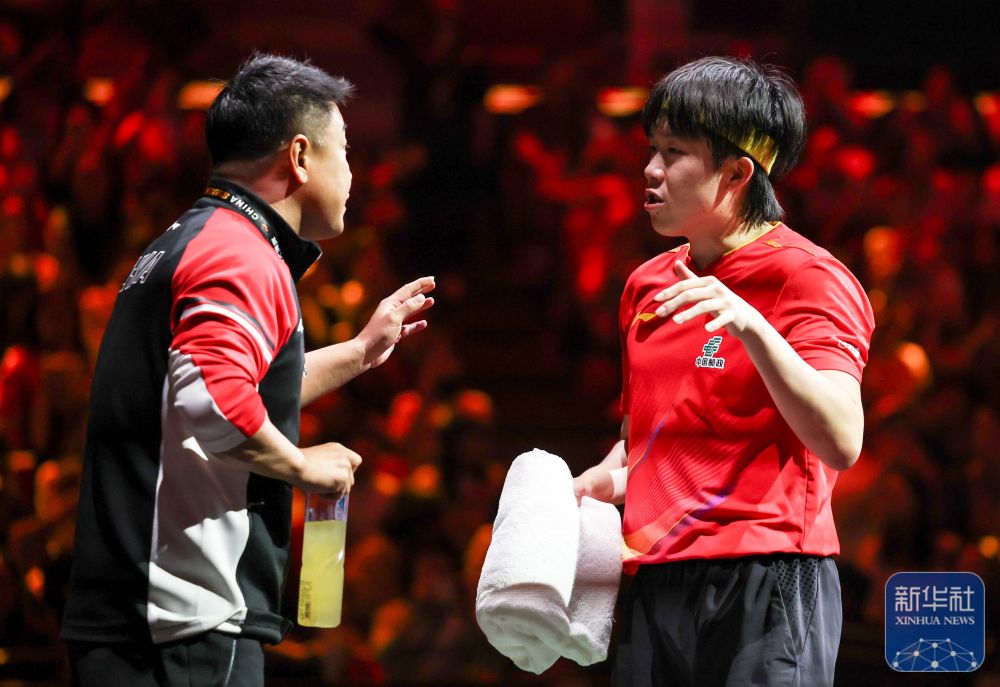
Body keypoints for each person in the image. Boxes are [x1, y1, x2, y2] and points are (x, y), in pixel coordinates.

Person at [59, 53, 435, 686]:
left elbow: (223, 391)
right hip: (185, 628)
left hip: (143, 623)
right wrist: (304, 466)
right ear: (299, 156)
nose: (352, 173)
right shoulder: (239, 253)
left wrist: (359, 352)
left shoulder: (191, 239)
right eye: (344, 151)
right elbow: (212, 402)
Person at [573, 56, 875, 686]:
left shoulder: (809, 278)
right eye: (652, 149)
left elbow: (843, 440)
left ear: (738, 172)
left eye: (675, 153)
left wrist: (751, 326)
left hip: (765, 575)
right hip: (654, 580)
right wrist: (601, 480)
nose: (651, 170)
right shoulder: (646, 285)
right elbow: (644, 439)